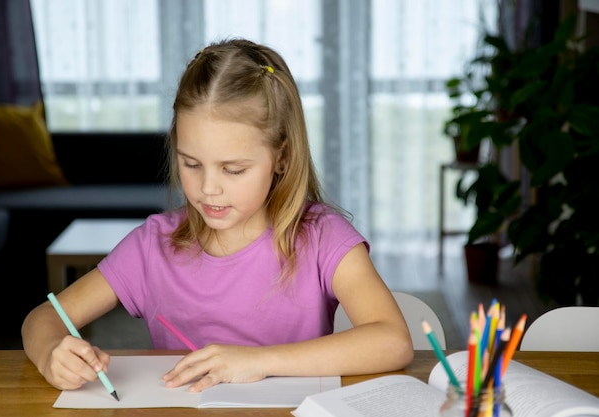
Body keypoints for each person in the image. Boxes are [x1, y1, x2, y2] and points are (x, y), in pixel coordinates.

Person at [21, 38, 413, 393]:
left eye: (233, 169)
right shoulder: (151, 246)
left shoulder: (323, 237)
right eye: (192, 164)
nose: (208, 188)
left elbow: (392, 341)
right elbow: (42, 319)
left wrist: (257, 362)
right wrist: (51, 352)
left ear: (282, 158)